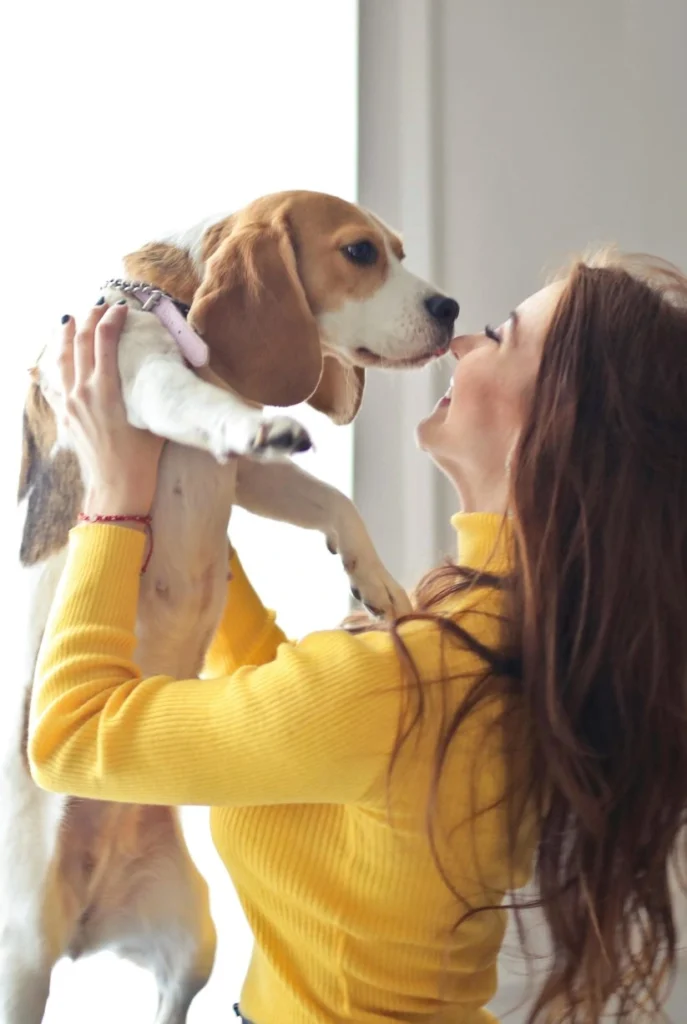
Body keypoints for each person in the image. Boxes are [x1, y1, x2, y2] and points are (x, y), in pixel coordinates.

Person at [29, 247, 687, 1023]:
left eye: (497, 336)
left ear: (557, 422)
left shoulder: (416, 680)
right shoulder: (504, 643)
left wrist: (111, 501)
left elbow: (71, 736)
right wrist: (184, 504)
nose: (461, 344)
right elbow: (294, 710)